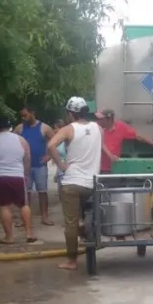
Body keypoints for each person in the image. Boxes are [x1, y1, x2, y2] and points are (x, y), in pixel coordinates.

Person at [48, 97, 102, 271]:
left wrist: (61, 165)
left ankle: (72, 261)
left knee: (71, 222)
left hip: (72, 183)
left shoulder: (68, 129)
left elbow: (51, 145)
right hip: (92, 183)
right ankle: (87, 231)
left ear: (70, 113)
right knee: (89, 217)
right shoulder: (97, 128)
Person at [0, 116, 36, 244]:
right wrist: (25, 173)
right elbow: (28, 158)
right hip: (17, 176)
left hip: (0, 177)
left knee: (5, 206)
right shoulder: (21, 140)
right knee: (24, 205)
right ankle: (29, 233)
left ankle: (9, 237)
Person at [14, 107, 55, 226]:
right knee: (25, 193)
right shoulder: (20, 128)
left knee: (42, 192)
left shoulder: (44, 127)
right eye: (22, 116)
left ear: (32, 113)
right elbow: (12, 141)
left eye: (25, 115)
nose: (23, 118)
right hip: (24, 166)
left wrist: (49, 155)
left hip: (40, 165)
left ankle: (45, 217)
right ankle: (24, 218)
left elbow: (56, 141)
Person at [94, 109, 153, 173]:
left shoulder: (120, 127)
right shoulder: (96, 128)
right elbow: (101, 144)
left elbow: (138, 136)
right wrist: (110, 155)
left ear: (109, 119)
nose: (98, 121)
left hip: (113, 168)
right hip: (97, 168)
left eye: (100, 119)